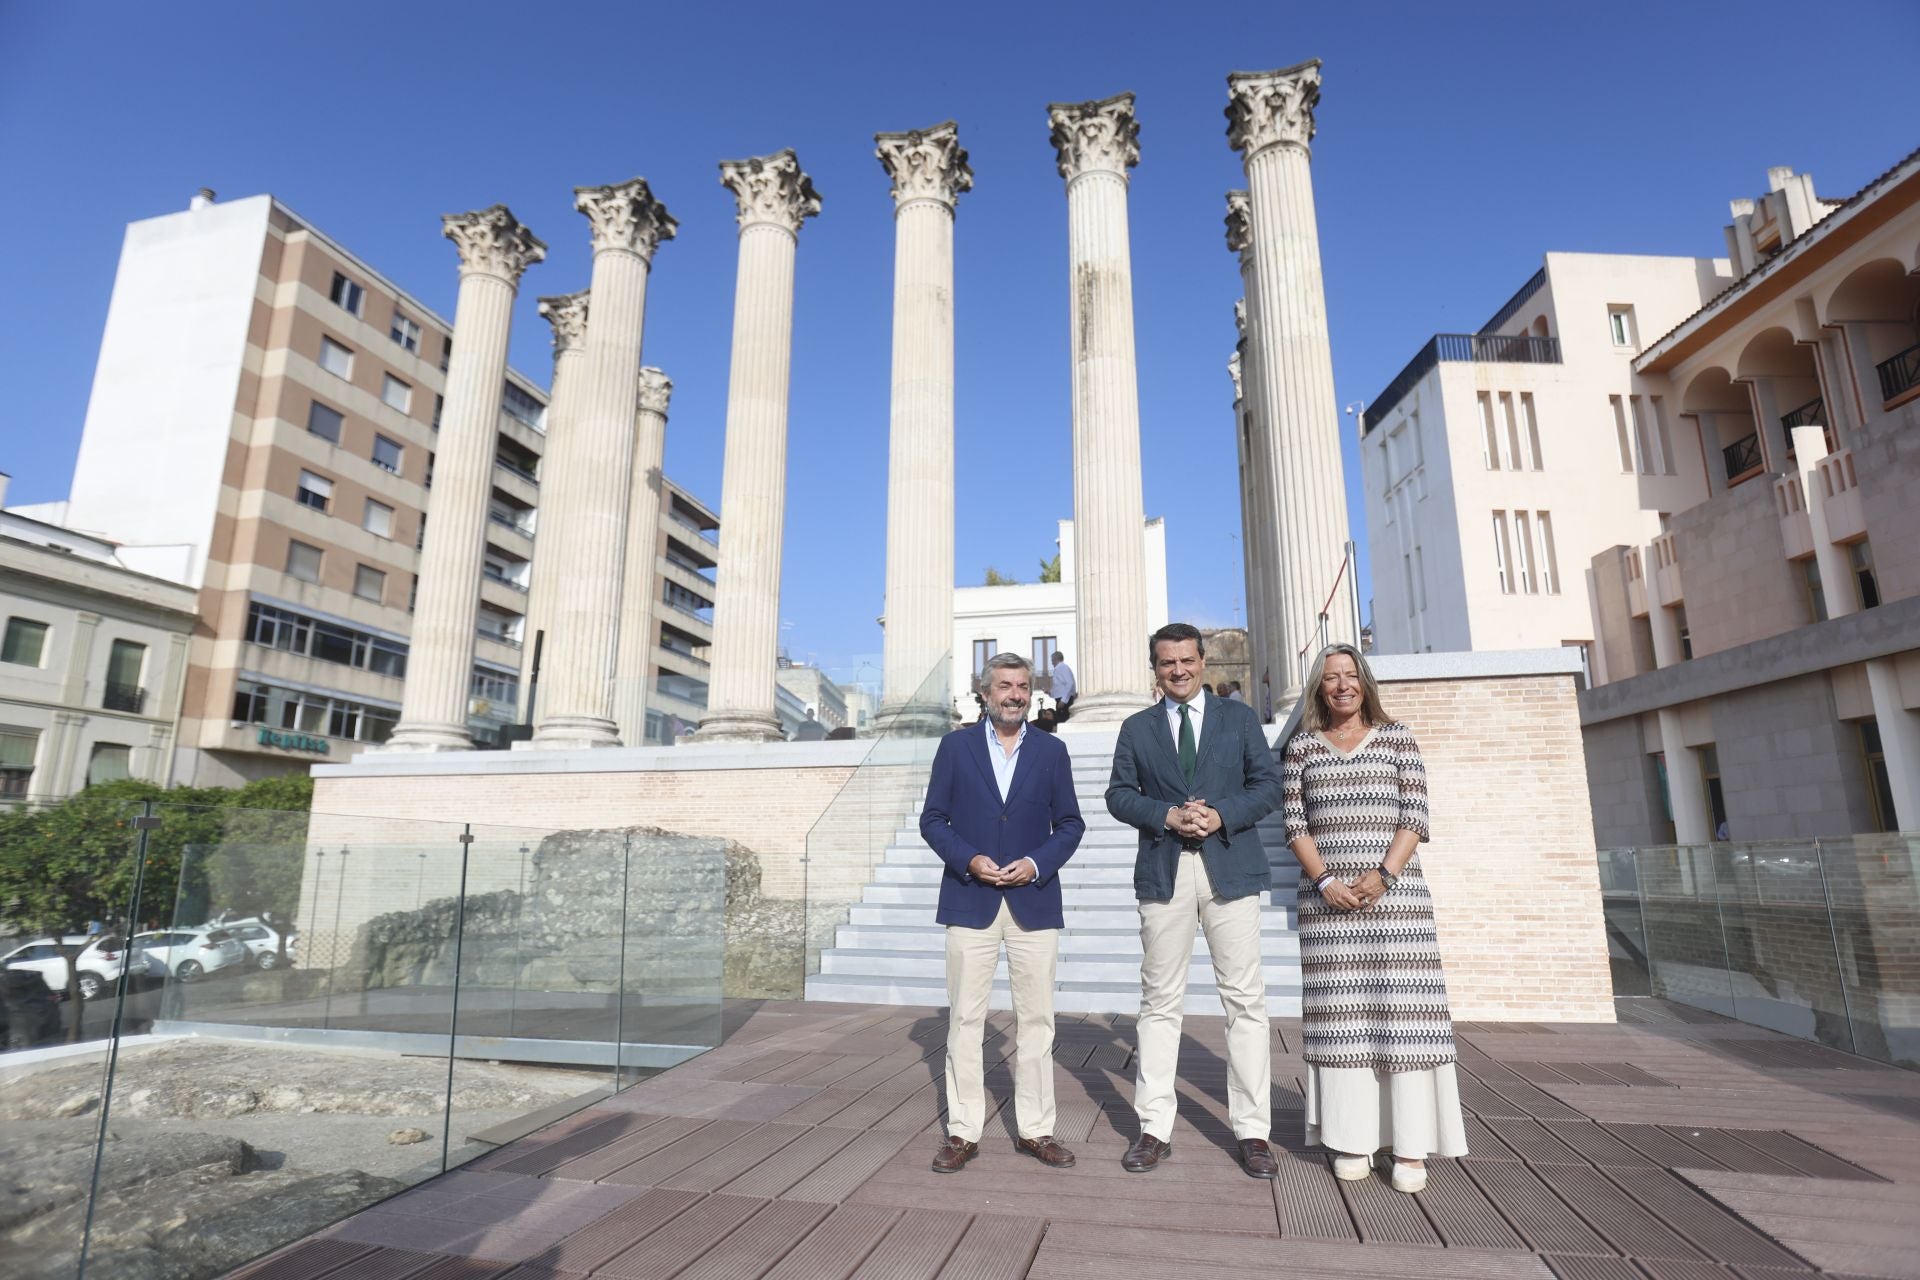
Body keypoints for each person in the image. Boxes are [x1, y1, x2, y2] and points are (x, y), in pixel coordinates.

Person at [1283, 643, 1467, 1194]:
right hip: (1327, 908)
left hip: (1397, 902)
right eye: (1331, 678)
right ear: (1319, 687)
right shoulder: (1301, 749)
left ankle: (1410, 1145)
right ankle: (1352, 1137)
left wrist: (1381, 876)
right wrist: (1326, 882)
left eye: (1351, 676)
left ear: (1365, 683)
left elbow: (1415, 816)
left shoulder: (1398, 738)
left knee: (1402, 1014)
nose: (1342, 685)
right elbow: (1296, 827)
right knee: (1344, 1022)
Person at [1105, 623, 1284, 1179]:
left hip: (1229, 867)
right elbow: (1118, 794)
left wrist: (1221, 812)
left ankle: (1253, 1131)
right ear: (1153, 669)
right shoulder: (1136, 728)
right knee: (1160, 1001)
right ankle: (1154, 1128)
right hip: (1165, 871)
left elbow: (1269, 785)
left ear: (1203, 662)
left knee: (1245, 1001)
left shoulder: (1240, 717)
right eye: (1166, 663)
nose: (1177, 670)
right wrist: (1166, 815)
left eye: (1186, 660)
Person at [920, 652, 1086, 1174]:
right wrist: (969, 858)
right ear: (985, 693)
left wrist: (1036, 864)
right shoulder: (955, 747)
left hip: (1033, 902)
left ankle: (1036, 1130)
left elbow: (1071, 825)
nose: (1014, 694)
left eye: (1021, 686)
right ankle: (963, 1131)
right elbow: (933, 819)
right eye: (1004, 686)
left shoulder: (1053, 751)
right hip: (971, 899)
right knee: (966, 1019)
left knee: (1036, 1020)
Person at [1048, 650, 1076, 721]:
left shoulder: (1062, 667)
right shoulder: (1060, 668)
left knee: (1062, 722)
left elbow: (1070, 683)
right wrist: (1050, 692)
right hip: (1061, 701)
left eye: (1052, 660)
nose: (1051, 662)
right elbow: (1060, 686)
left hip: (1064, 702)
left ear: (1056, 659)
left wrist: (1064, 700)